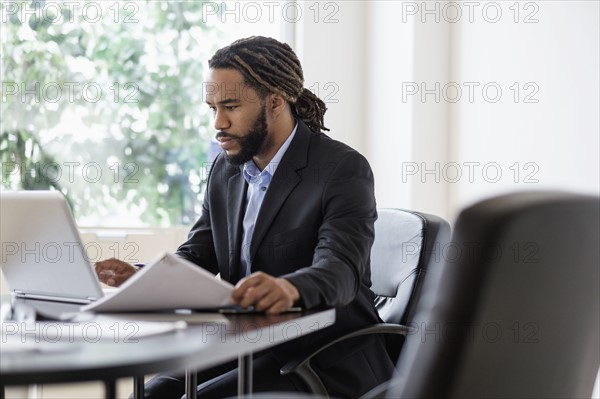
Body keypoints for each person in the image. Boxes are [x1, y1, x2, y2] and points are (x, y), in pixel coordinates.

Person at [95, 36, 395, 399]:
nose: (218, 122)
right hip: (246, 344)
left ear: (275, 102)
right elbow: (198, 254)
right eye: (212, 108)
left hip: (320, 354)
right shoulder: (227, 169)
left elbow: (341, 271)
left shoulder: (341, 169)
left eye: (231, 106)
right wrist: (144, 278)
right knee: (152, 393)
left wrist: (290, 288)